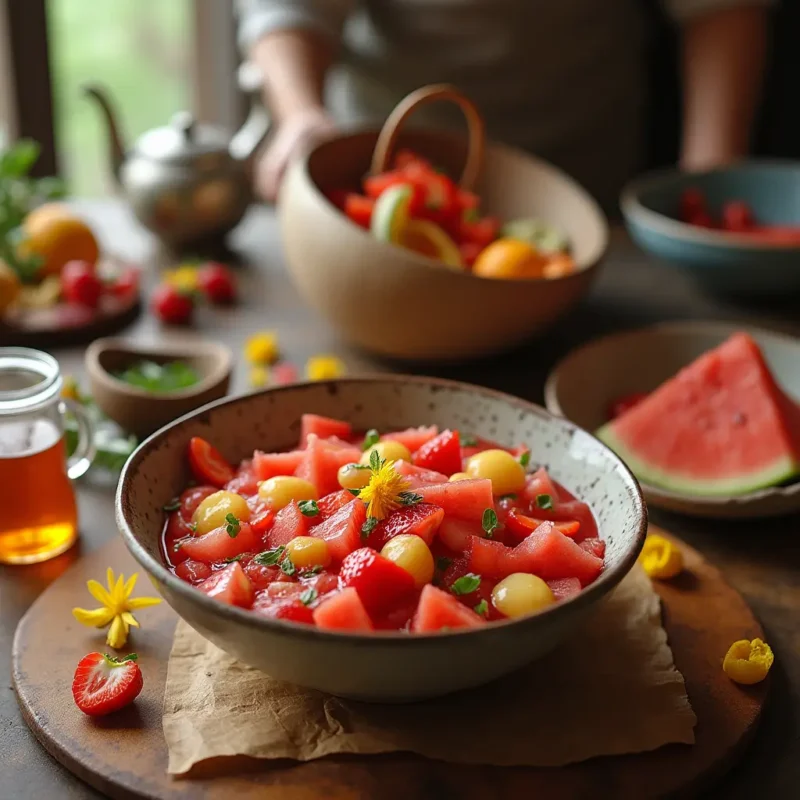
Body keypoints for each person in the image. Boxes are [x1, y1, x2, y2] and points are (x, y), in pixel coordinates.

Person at [236, 0, 770, 212]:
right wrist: (301, 113)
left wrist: (710, 180)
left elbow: (719, 7)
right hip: (374, 185)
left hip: (588, 194)